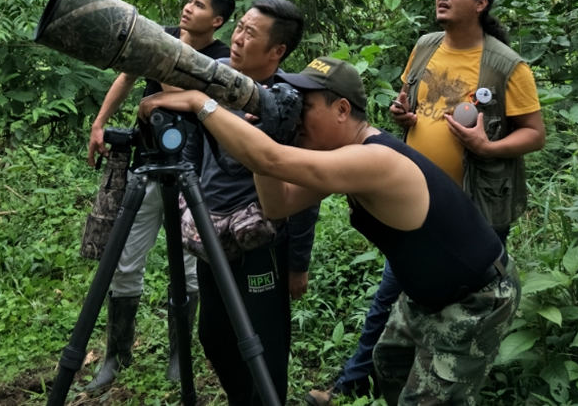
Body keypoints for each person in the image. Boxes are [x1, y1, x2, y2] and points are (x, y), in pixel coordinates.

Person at [138, 56, 522, 406]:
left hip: (476, 298)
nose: (295, 117)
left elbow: (267, 158)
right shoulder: (345, 156)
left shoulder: (375, 158)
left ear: (341, 109)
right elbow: (277, 204)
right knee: (388, 368)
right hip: (428, 294)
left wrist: (200, 103)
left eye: (303, 108)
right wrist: (271, 134)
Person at [307, 0, 546, 405]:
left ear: (481, 3)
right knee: (394, 296)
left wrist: (487, 147)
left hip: (476, 205)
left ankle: (447, 379)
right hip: (419, 202)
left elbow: (535, 132)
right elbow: (418, 105)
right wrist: (406, 115)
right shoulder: (425, 47)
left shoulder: (506, 65)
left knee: (465, 302)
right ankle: (357, 383)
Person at [85, 0, 236, 392]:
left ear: (217, 20)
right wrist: (99, 123)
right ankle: (116, 354)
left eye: (199, 5)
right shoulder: (163, 37)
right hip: (147, 164)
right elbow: (128, 75)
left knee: (188, 271)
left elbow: (192, 100)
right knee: (124, 262)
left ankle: (178, 353)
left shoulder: (220, 59)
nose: (188, 8)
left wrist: (163, 60)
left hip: (193, 173)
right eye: (188, 0)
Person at [169, 0, 317, 406]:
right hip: (211, 237)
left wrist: (297, 262)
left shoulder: (285, 101)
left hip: (261, 245)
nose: (236, 38)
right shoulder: (213, 87)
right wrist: (189, 206)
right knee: (213, 335)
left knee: (263, 343)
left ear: (277, 51)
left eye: (250, 34)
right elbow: (190, 153)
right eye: (239, 28)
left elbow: (303, 188)